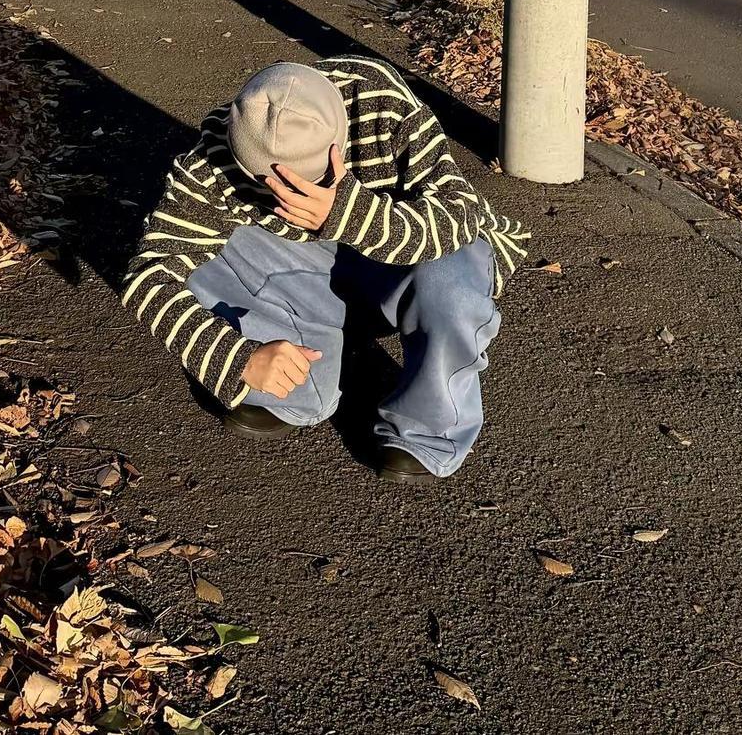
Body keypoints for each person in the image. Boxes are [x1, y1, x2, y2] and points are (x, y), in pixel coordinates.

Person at [123, 58, 529, 483]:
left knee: (454, 278)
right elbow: (149, 273)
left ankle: (430, 429)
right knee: (204, 251)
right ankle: (293, 372)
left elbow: (458, 214)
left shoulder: (381, 103)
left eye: (300, 186)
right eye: (272, 188)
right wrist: (233, 358)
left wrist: (346, 212)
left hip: (401, 253)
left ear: (337, 150)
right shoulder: (218, 153)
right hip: (308, 263)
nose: (287, 197)